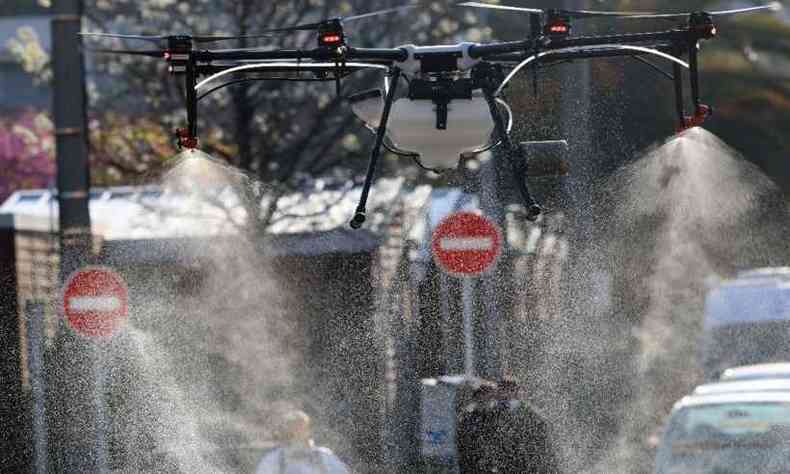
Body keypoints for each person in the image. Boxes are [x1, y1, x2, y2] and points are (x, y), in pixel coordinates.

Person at [457, 379, 560, 473]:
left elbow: (543, 444)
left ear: (516, 391)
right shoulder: (490, 413)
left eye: (506, 390)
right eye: (501, 390)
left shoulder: (531, 415)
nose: (502, 394)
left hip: (527, 464)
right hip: (502, 465)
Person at [255, 410, 351, 474]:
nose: (298, 432)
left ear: (308, 430)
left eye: (302, 428)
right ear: (287, 431)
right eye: (294, 427)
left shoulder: (324, 456)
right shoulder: (273, 460)